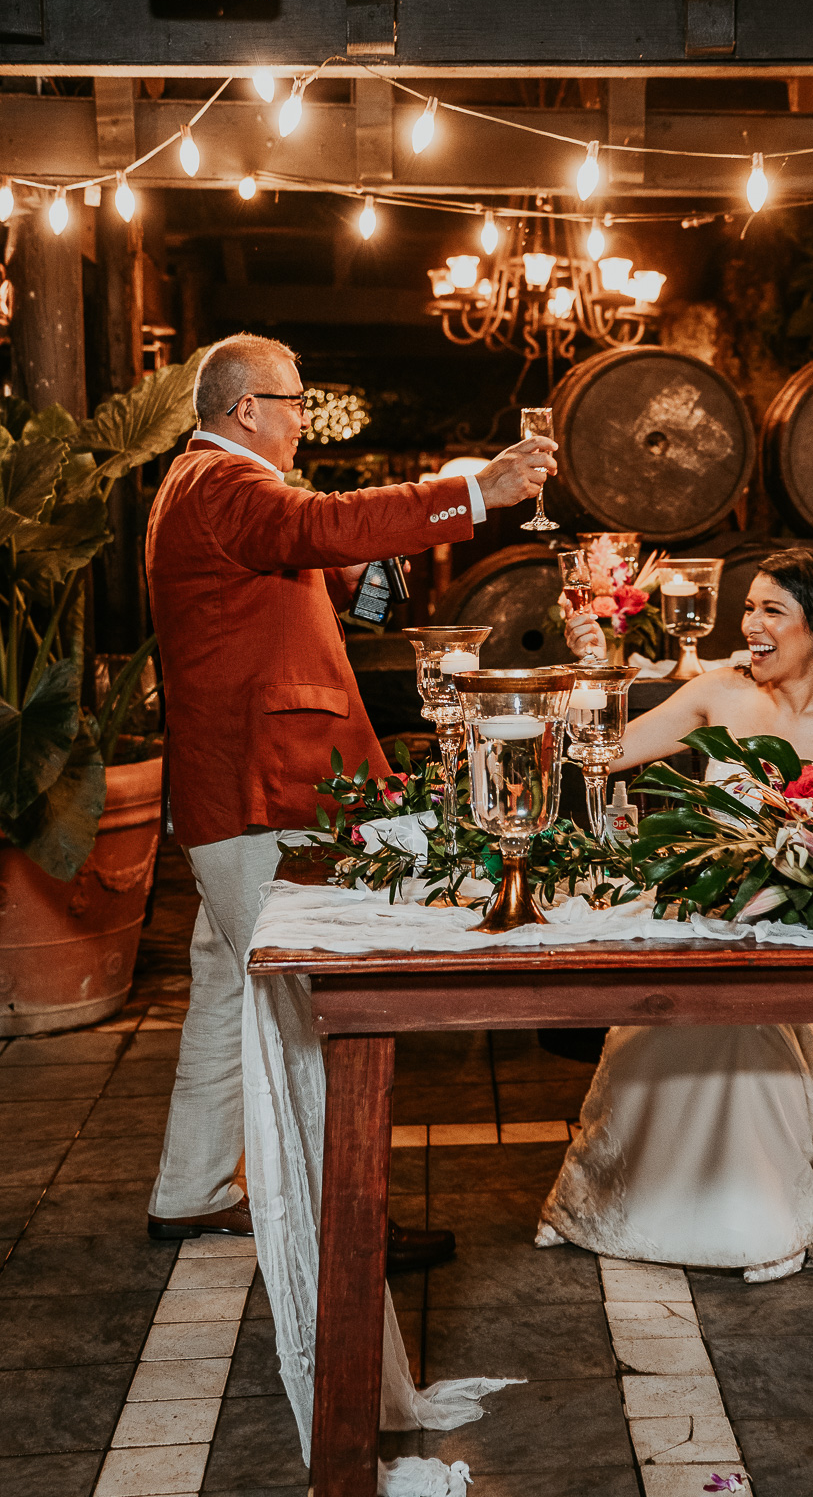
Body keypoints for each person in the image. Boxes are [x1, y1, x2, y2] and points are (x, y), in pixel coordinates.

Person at [144, 332, 556, 1264]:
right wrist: (472, 494)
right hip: (264, 787)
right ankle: (344, 1216)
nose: (302, 421)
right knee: (308, 997)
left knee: (226, 986)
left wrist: (394, 546)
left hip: (239, 781)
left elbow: (316, 563)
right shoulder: (221, 482)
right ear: (246, 409)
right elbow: (311, 528)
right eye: (293, 403)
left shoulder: (210, 490)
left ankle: (193, 1188)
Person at [548, 547, 813, 1282]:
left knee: (809, 1029)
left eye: (770, 610)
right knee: (730, 1029)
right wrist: (592, 667)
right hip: (719, 933)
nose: (749, 624)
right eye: (748, 607)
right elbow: (599, 755)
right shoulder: (715, 694)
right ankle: (723, 1214)